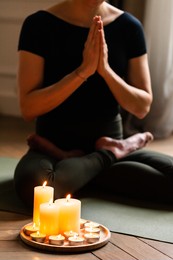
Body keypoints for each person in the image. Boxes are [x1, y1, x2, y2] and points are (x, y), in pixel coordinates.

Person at [14, 0, 173, 209]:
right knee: (34, 188)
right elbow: (28, 108)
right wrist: (83, 72)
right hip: (51, 149)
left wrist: (105, 70)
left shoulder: (129, 26)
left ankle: (81, 171)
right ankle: (108, 156)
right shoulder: (38, 24)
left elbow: (141, 106)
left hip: (110, 139)